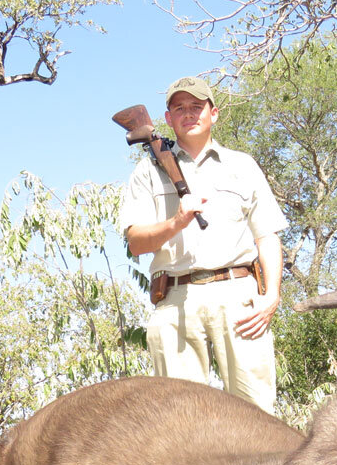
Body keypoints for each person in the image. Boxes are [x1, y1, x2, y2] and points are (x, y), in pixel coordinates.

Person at [118, 76, 288, 414]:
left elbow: (267, 235)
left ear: (214, 114)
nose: (189, 114)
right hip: (175, 297)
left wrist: (271, 296)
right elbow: (135, 242)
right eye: (179, 108)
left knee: (257, 416)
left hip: (239, 295)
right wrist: (176, 223)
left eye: (197, 106)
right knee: (181, 421)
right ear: (167, 119)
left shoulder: (243, 165)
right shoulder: (148, 169)